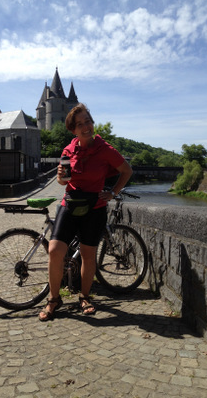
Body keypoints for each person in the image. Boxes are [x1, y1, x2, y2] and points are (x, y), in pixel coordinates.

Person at [39, 103, 132, 321]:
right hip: (70, 205)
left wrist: (112, 192)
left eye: (88, 121)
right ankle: (54, 299)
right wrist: (61, 175)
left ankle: (85, 296)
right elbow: (64, 182)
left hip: (95, 208)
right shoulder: (68, 150)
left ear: (92, 122)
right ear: (73, 130)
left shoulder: (105, 149)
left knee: (88, 256)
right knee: (54, 251)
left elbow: (126, 171)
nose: (85, 127)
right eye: (80, 124)